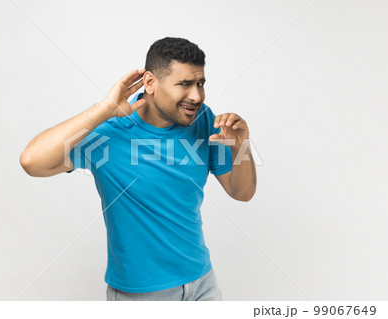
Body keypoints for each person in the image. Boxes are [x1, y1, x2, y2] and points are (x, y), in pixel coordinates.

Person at [20, 37, 257, 301]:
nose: (196, 96)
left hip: (202, 284)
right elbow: (32, 161)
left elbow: (242, 192)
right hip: (142, 295)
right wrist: (105, 109)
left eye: (200, 83)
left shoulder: (203, 120)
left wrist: (241, 146)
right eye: (185, 84)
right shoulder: (109, 134)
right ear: (150, 83)